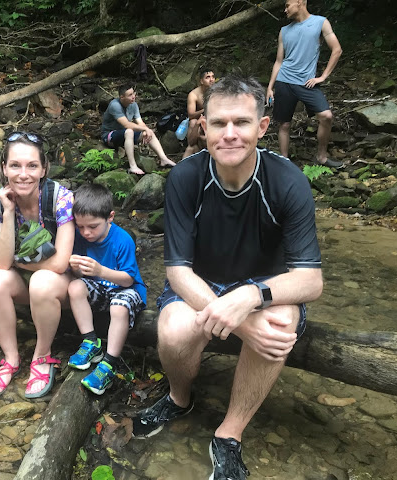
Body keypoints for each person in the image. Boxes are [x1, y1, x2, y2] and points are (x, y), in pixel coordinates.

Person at [132, 76, 324, 480]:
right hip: (202, 280)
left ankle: (229, 433)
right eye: (219, 123)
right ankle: (179, 397)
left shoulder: (288, 181)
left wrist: (251, 297)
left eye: (242, 122)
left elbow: (310, 280)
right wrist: (239, 322)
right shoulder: (186, 177)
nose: (230, 134)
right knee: (174, 329)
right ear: (204, 126)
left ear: (263, 126)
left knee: (280, 322)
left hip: (264, 285)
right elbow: (178, 270)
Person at [0, 131, 75, 399]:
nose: (24, 175)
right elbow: (1, 263)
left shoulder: (61, 199)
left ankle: (42, 356)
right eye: (15, 165)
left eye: (32, 166)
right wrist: (9, 212)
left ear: (44, 169)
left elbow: (60, 263)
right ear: (4, 168)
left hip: (64, 285)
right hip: (28, 281)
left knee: (42, 281)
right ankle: (11, 359)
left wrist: (17, 263)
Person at [67, 183, 147, 395]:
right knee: (75, 287)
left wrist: (100, 271)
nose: (86, 232)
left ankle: (110, 363)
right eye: (80, 226)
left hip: (126, 290)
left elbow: (128, 280)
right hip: (101, 289)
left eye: (93, 226)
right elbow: (80, 277)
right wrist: (75, 268)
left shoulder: (122, 240)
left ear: (110, 217)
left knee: (119, 306)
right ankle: (91, 342)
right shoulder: (80, 238)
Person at [266, 0, 343, 168]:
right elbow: (279, 61)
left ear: (300, 2)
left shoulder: (320, 22)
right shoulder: (284, 31)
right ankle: (284, 162)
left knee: (326, 116)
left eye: (287, 5)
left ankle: (321, 157)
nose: (285, 10)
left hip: (307, 83)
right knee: (284, 124)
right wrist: (270, 87)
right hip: (284, 81)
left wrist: (323, 76)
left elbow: (337, 50)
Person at [101, 84, 176, 175]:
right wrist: (144, 129)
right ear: (122, 97)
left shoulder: (133, 105)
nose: (133, 96)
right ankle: (133, 166)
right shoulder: (115, 105)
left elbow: (140, 122)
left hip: (125, 135)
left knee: (149, 132)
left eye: (133, 93)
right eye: (130, 95)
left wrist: (145, 130)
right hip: (109, 136)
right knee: (129, 131)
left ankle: (164, 159)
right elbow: (126, 124)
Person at [183, 67, 216, 158]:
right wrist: (205, 110)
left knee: (196, 147)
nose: (211, 80)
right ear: (201, 81)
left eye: (213, 77)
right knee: (193, 123)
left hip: (213, 121)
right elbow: (191, 115)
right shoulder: (194, 94)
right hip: (199, 122)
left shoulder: (217, 92)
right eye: (208, 77)